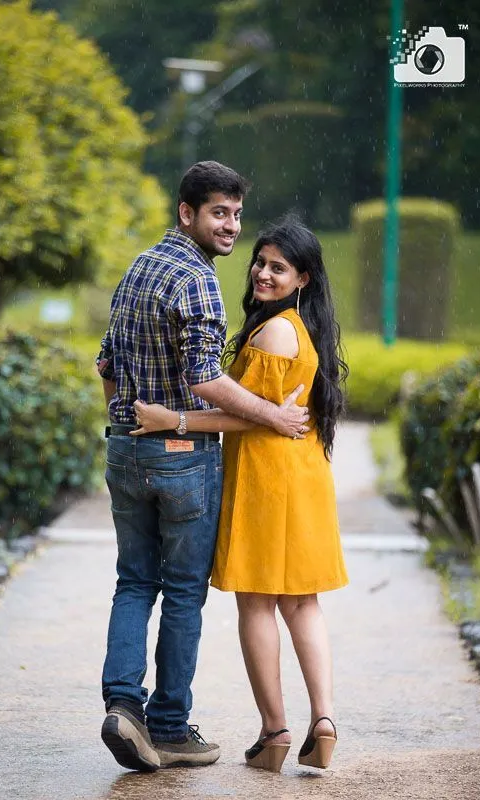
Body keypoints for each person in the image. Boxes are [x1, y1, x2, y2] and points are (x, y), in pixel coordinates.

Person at [96, 163, 310, 773]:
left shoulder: (138, 267)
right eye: (220, 212)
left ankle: (121, 706)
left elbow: (106, 364)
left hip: (124, 448)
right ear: (186, 212)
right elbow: (202, 378)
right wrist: (271, 413)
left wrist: (122, 429)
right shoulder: (198, 282)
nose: (232, 226)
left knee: (134, 581)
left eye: (237, 213)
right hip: (183, 459)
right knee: (184, 592)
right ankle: (166, 725)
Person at [132, 215, 349, 773]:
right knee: (302, 603)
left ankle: (274, 731)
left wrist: (170, 419)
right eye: (261, 261)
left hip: (267, 478)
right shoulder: (300, 328)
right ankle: (323, 720)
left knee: (258, 601)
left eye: (279, 267)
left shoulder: (274, 331)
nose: (263, 273)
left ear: (303, 278)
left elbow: (248, 417)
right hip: (301, 476)